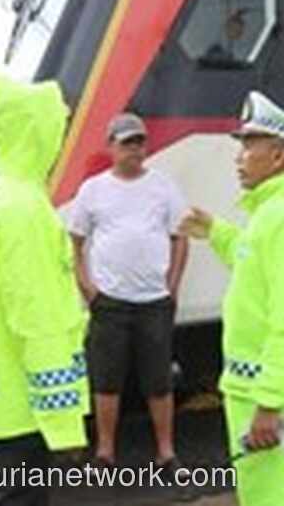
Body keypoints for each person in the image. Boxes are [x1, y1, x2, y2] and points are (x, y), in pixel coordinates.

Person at [179, 91, 284, 506]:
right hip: (264, 387)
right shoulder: (278, 211)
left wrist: (270, 403)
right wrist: (217, 232)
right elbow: (258, 266)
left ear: (277, 157)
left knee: (275, 499)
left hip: (271, 393)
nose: (239, 157)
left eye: (248, 145)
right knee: (272, 494)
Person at [0, 75, 89, 506]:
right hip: (24, 402)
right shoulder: (24, 210)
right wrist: (65, 423)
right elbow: (38, 319)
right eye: (55, 129)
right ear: (36, 131)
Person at [67, 113, 189, 473]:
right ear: (111, 146)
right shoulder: (93, 189)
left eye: (139, 142)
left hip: (154, 301)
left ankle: (166, 452)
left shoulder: (164, 186)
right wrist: (86, 287)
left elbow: (180, 237)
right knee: (106, 380)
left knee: (159, 380)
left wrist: (173, 285)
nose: (135, 149)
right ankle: (105, 453)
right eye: (127, 143)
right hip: (109, 302)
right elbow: (75, 241)